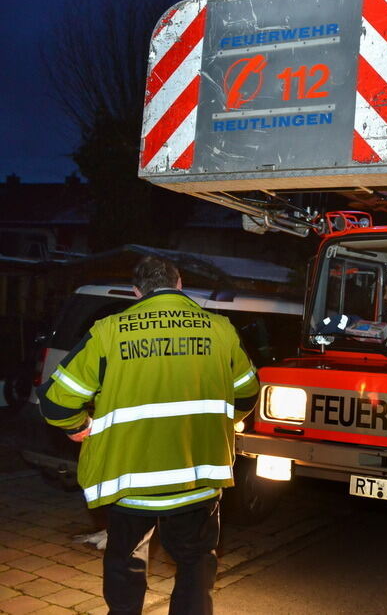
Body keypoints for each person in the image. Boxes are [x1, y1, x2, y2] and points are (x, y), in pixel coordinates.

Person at [38, 256, 259, 615]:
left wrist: (79, 428)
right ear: (180, 284)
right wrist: (221, 421)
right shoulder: (221, 330)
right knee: (194, 563)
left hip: (131, 480)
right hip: (197, 479)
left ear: (137, 291)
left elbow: (56, 403)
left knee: (125, 561)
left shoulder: (109, 331)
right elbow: (247, 393)